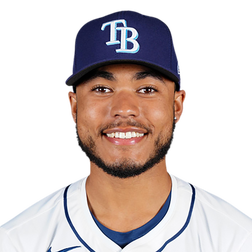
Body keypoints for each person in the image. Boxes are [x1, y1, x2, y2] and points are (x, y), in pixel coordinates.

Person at [1, 8, 251, 252]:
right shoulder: (17, 241)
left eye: (147, 89)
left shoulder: (236, 240)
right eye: (101, 89)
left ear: (177, 106)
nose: (124, 109)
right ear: (74, 106)